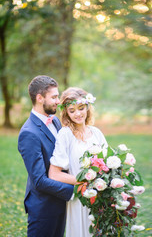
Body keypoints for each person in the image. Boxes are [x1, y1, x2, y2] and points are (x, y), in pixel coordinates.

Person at [18, 75, 74, 237]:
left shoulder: (55, 121)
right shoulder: (29, 133)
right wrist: (75, 190)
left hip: (60, 203)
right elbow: (39, 180)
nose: (58, 101)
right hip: (43, 208)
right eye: (54, 97)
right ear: (40, 98)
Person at [48, 87, 108, 237]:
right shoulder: (65, 134)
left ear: (87, 107)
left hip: (101, 196)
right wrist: (85, 182)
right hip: (80, 198)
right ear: (66, 112)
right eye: (72, 110)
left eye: (81, 108)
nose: (78, 114)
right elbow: (54, 174)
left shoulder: (96, 133)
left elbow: (108, 165)